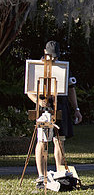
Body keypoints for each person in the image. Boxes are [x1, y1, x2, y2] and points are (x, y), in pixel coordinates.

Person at [28, 41, 82, 187]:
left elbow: (71, 89)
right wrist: (39, 101)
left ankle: (60, 174)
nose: (53, 59)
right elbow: (29, 91)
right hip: (44, 109)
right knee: (42, 141)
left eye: (55, 57)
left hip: (61, 107)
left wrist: (76, 109)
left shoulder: (63, 67)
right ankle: (41, 176)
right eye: (50, 56)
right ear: (44, 52)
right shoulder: (36, 67)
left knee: (60, 141)